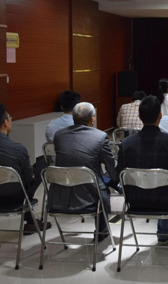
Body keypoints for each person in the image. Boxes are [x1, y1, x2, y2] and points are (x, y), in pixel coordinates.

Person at [118, 96, 168, 245]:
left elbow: (119, 175)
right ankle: (164, 234)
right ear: (160, 116)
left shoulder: (126, 144)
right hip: (165, 202)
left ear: (140, 117)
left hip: (135, 201)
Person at [0, 103, 51, 234]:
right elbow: (29, 178)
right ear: (5, 122)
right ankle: (31, 222)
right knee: (42, 163)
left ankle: (31, 222)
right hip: (17, 197)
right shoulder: (17, 149)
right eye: (9, 117)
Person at [51, 102, 118, 240]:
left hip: (61, 194)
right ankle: (101, 230)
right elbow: (110, 165)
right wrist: (116, 180)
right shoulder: (100, 137)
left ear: (73, 118)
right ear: (92, 119)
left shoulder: (59, 135)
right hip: (90, 195)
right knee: (105, 180)